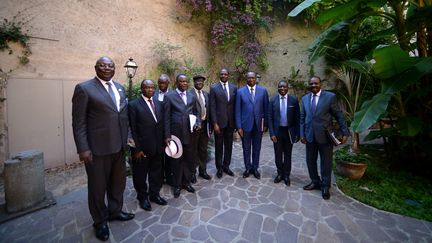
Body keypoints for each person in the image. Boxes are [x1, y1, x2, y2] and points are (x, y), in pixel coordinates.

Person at [72, 56, 134, 241]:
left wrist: (128, 137)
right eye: (103, 65)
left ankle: (115, 211)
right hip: (97, 149)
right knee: (98, 188)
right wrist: (83, 148)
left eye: (110, 65)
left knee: (118, 183)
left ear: (115, 69)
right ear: (96, 68)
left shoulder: (120, 88)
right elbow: (79, 123)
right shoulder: (84, 89)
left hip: (119, 147)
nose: (107, 68)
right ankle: (100, 222)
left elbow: (123, 116)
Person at [300, 76, 350, 200]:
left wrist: (345, 131)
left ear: (320, 84)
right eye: (311, 84)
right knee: (310, 161)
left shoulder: (329, 97)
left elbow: (338, 115)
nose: (313, 86)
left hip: (325, 136)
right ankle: (315, 181)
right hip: (310, 135)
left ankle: (325, 186)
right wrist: (302, 134)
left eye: (316, 83)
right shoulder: (305, 99)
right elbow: (302, 118)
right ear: (309, 85)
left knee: (326, 162)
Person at [128, 79, 167, 212]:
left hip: (157, 146)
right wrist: (136, 149)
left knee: (156, 173)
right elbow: (131, 129)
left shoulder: (158, 103)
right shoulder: (133, 105)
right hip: (141, 149)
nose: (150, 90)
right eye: (147, 87)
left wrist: (163, 142)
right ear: (141, 89)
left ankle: (154, 194)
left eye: (152, 87)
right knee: (140, 175)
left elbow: (160, 124)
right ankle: (142, 197)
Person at [164, 74, 201, 198]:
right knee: (176, 160)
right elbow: (166, 117)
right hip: (176, 135)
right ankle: (177, 185)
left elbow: (196, 112)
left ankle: (186, 182)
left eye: (186, 81)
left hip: (190, 134)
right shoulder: (169, 96)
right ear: (177, 83)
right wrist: (167, 135)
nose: (184, 83)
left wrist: (198, 122)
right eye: (181, 81)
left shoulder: (191, 96)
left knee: (188, 159)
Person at [235, 71, 269, 179]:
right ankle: (247, 168)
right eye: (249, 78)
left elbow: (266, 109)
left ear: (256, 79)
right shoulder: (240, 92)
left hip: (258, 125)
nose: (251, 80)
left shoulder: (263, 91)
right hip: (245, 126)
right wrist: (239, 127)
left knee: (257, 148)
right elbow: (237, 111)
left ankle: (255, 168)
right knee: (246, 148)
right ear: (246, 79)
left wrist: (265, 124)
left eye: (253, 78)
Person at [268, 80, 300, 186]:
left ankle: (286, 175)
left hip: (289, 132)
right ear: (278, 88)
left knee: (288, 154)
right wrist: (272, 133)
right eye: (280, 87)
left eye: (284, 87)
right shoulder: (272, 100)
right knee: (278, 154)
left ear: (287, 88)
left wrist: (297, 134)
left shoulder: (294, 100)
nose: (282, 88)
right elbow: (270, 118)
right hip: (277, 132)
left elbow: (297, 118)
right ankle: (279, 174)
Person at [209, 68, 237, 178]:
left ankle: (226, 166)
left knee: (229, 146)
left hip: (230, 123)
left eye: (225, 74)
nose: (224, 76)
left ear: (228, 75)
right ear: (219, 75)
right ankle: (219, 168)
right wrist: (214, 123)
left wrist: (235, 123)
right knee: (219, 146)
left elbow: (234, 106)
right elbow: (212, 107)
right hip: (219, 124)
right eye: (222, 74)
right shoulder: (214, 88)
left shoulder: (233, 88)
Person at [189, 74, 211, 181]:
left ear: (203, 83)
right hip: (194, 128)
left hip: (205, 126)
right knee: (193, 151)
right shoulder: (189, 94)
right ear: (194, 82)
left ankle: (203, 171)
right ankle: (192, 173)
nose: (199, 83)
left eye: (201, 82)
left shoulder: (206, 94)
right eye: (197, 81)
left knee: (203, 150)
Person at [153, 74, 174, 186]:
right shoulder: (154, 94)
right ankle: (160, 178)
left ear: (168, 83)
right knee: (159, 157)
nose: (161, 85)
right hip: (157, 132)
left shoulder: (173, 95)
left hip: (171, 130)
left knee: (170, 155)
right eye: (160, 83)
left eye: (164, 83)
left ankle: (169, 177)